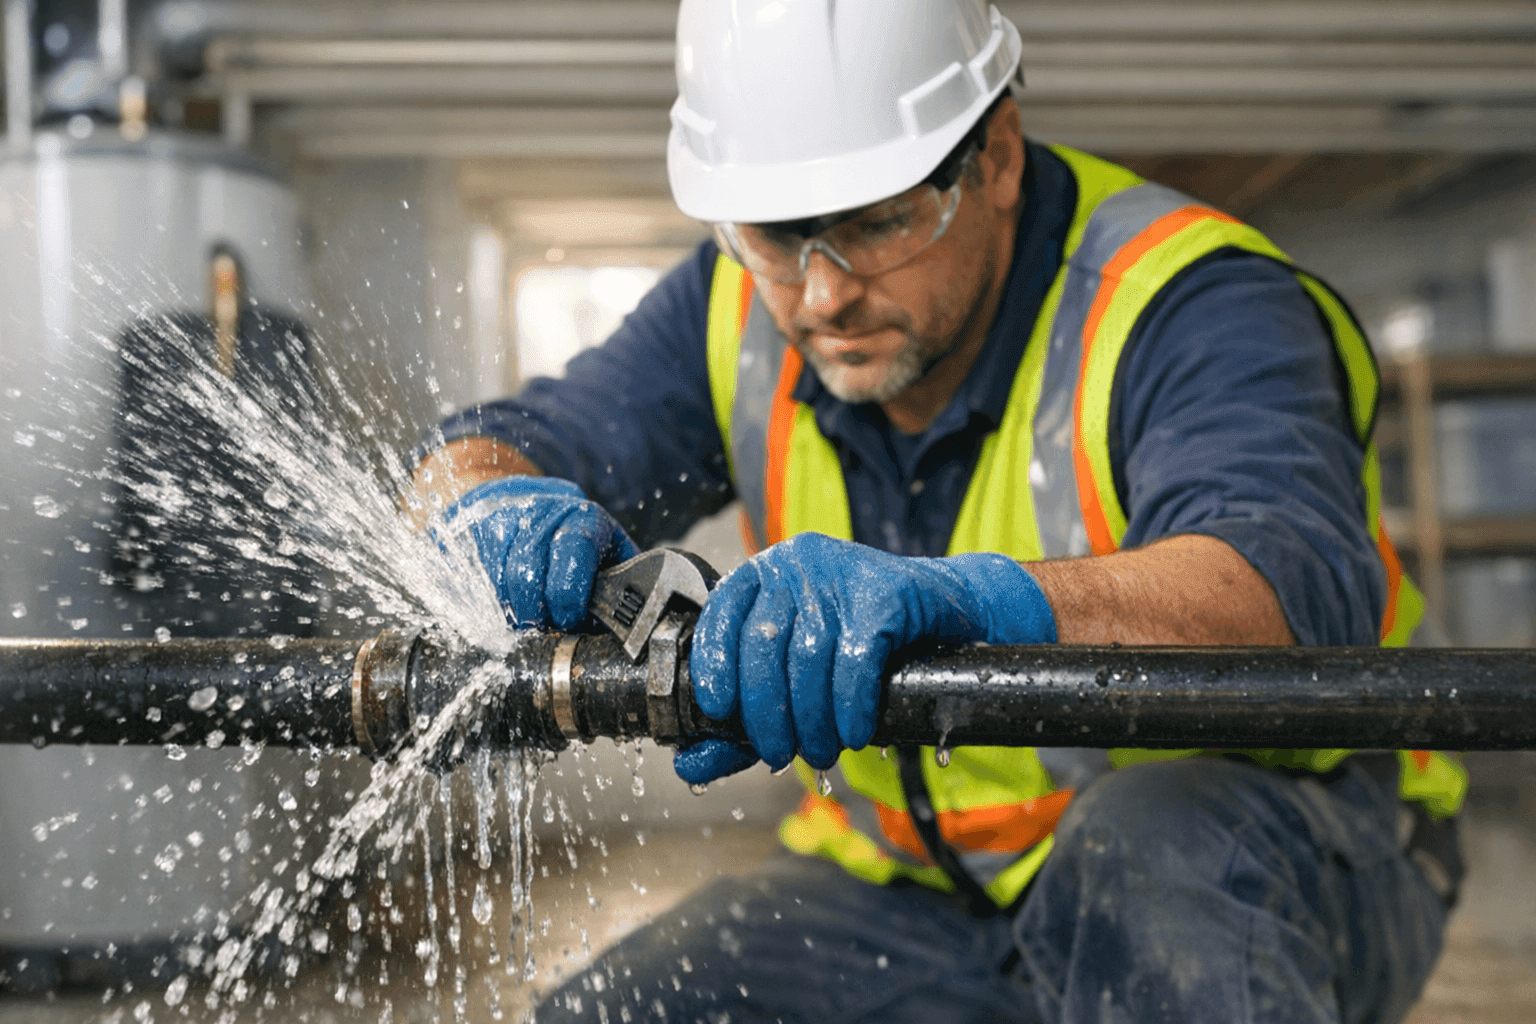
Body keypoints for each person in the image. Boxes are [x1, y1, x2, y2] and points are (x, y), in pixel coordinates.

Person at [412, 2, 1466, 1020]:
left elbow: (1283, 588)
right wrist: (483, 506)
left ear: (997, 155)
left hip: (1271, 853)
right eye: (776, 238)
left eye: (876, 221)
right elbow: (479, 450)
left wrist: (970, 605)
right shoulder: (736, 299)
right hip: (919, 894)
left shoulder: (1191, 302)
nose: (822, 296)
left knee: (1153, 857)